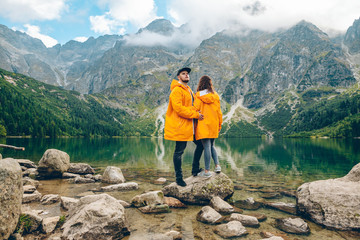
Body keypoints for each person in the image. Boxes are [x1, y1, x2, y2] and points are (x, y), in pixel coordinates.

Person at [164, 67, 204, 187]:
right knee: (179, 152)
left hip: (190, 126)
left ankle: (195, 169)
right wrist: (196, 115)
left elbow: (192, 105)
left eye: (187, 74)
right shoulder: (176, 90)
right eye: (183, 74)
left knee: (201, 144)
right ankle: (179, 178)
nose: (186, 75)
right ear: (178, 76)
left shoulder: (189, 90)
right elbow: (179, 109)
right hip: (181, 126)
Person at [193, 75, 223, 177]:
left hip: (203, 124)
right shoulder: (215, 95)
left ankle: (206, 171)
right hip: (214, 124)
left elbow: (196, 108)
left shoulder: (198, 95)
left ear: (200, 84)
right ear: (210, 84)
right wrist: (219, 125)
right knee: (212, 145)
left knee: (206, 146)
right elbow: (219, 112)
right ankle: (217, 166)